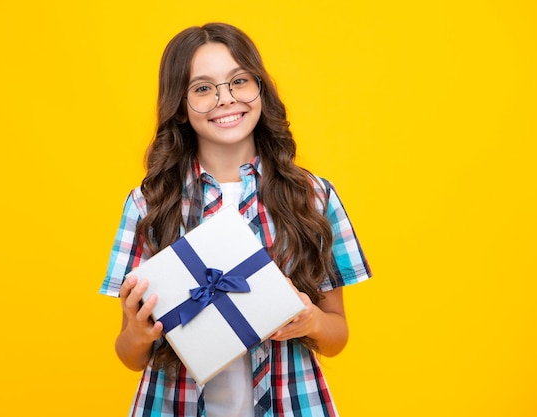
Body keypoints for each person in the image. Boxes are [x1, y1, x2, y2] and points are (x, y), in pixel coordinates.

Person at [100, 22, 371, 417]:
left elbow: (337, 336)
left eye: (239, 81)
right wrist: (139, 332)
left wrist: (310, 320)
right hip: (175, 405)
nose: (225, 99)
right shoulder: (149, 204)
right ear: (180, 103)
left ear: (260, 87)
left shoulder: (313, 197)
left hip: (293, 404)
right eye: (203, 88)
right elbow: (129, 355)